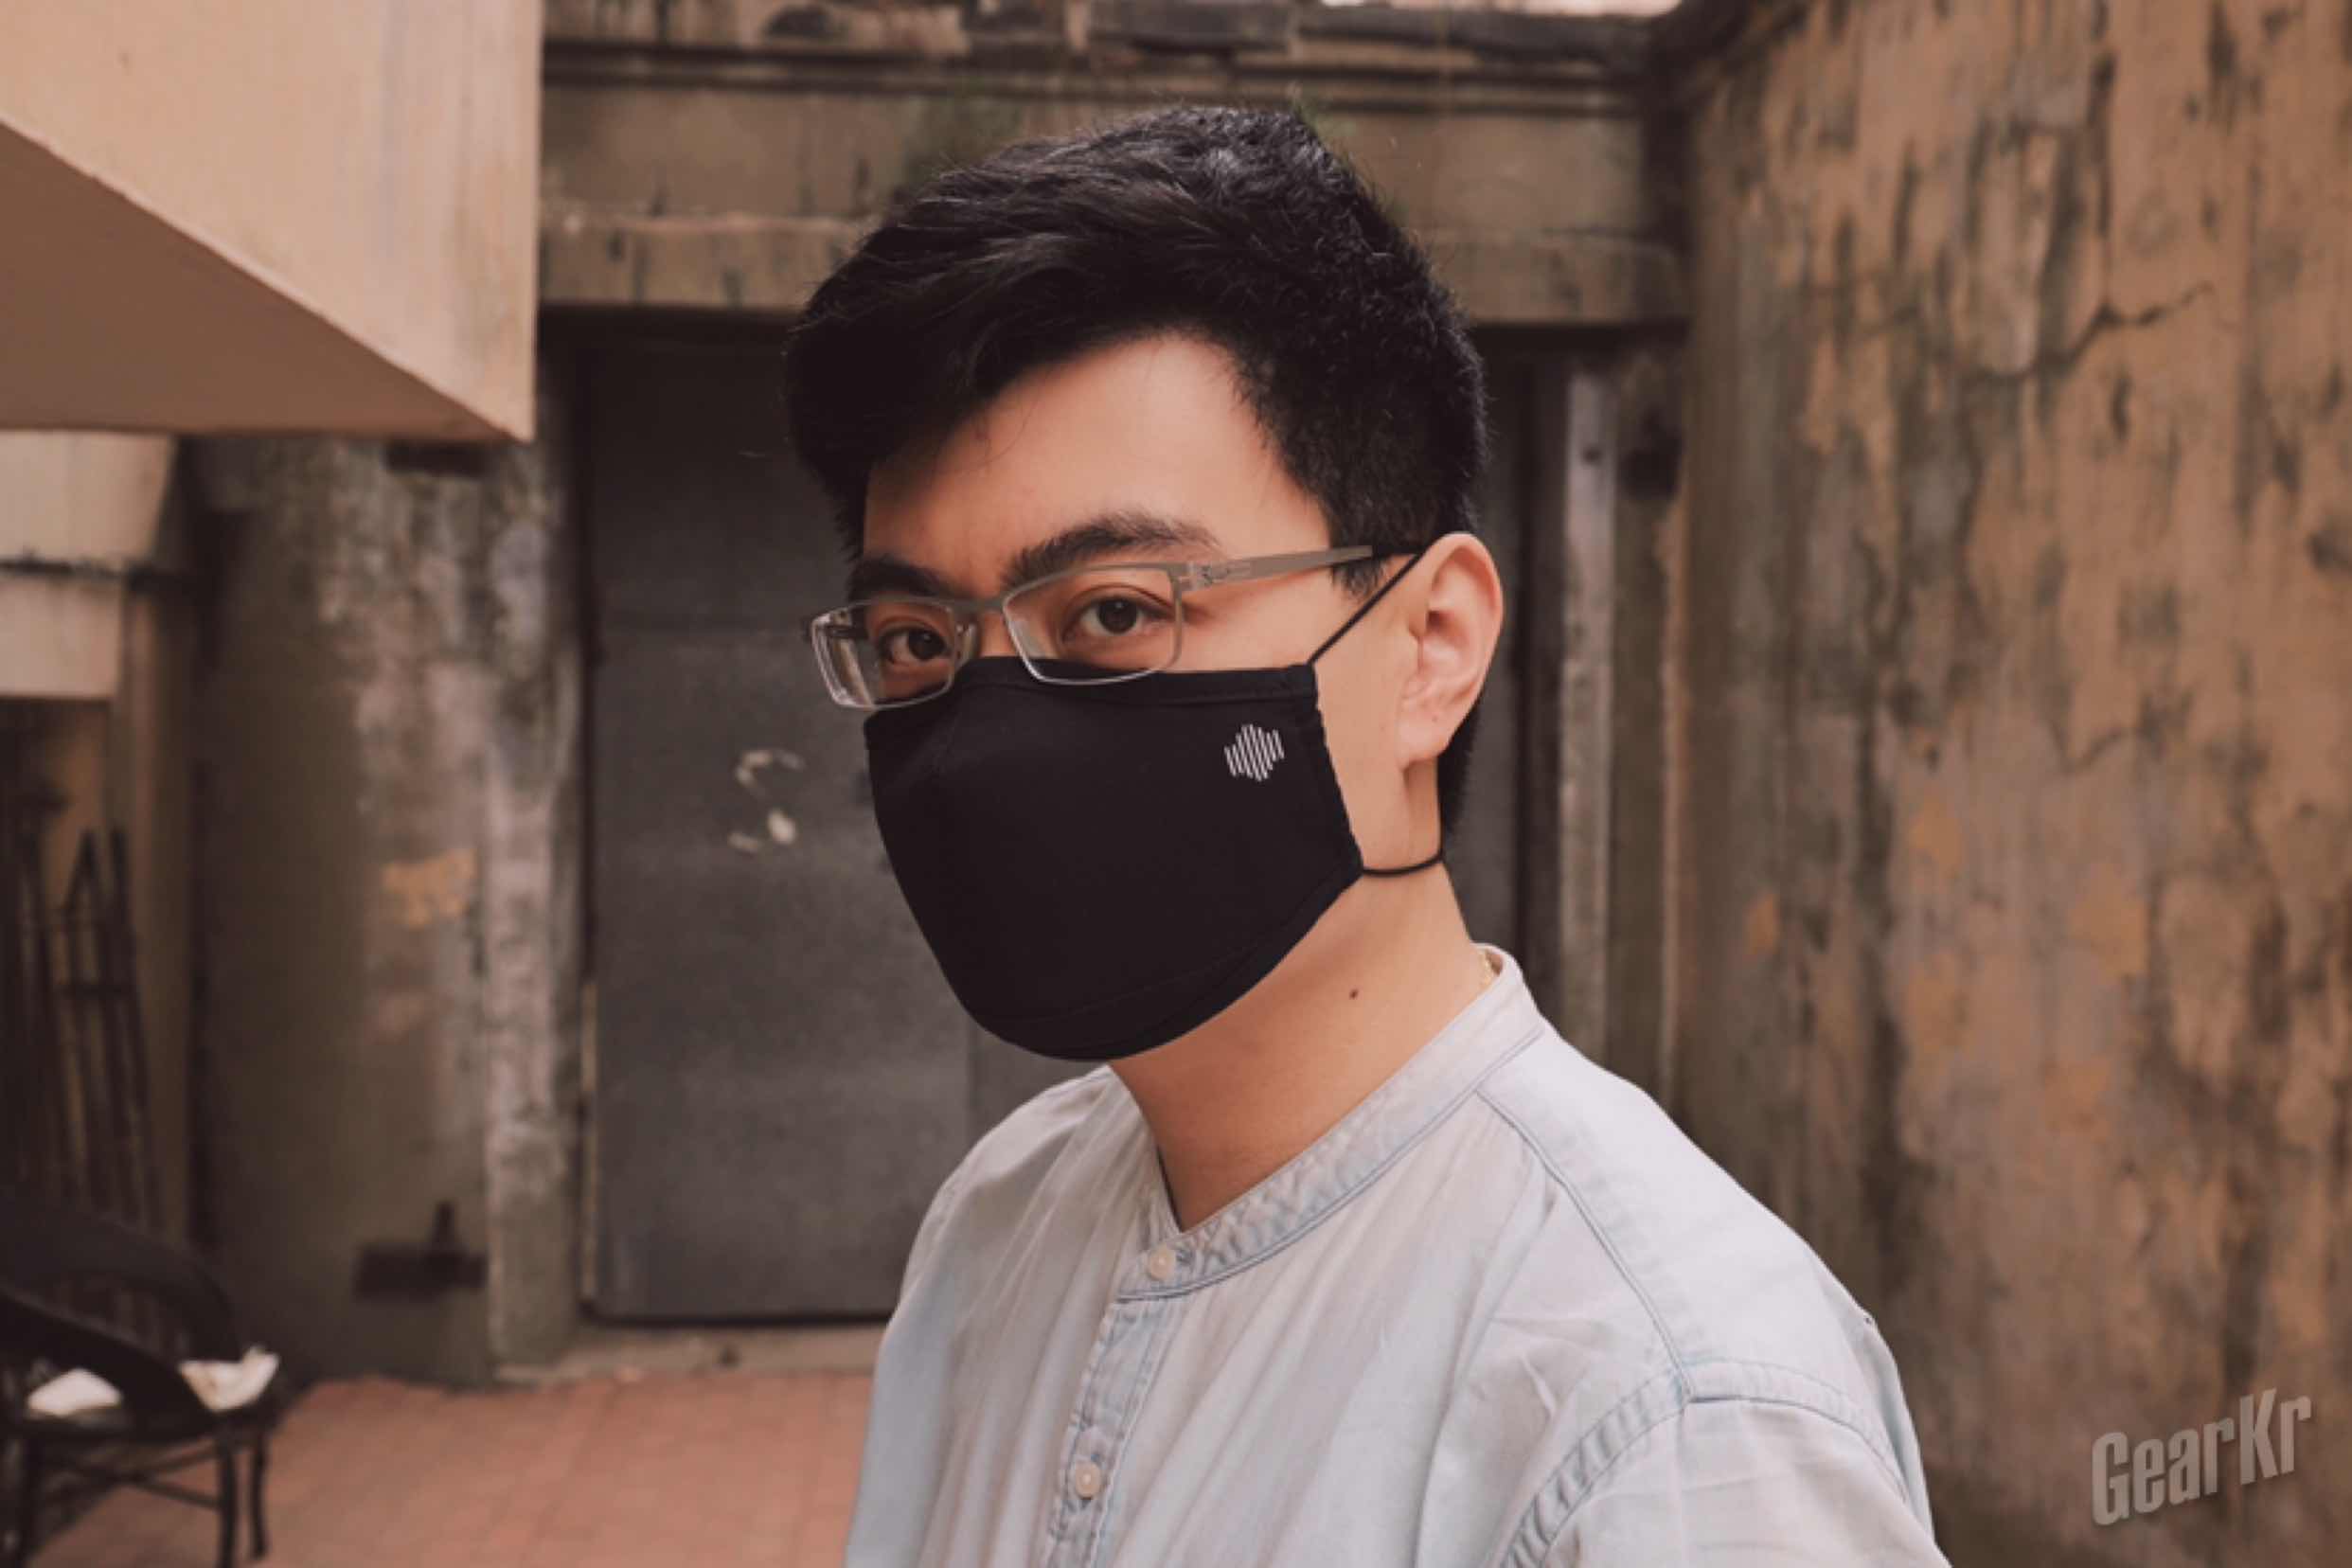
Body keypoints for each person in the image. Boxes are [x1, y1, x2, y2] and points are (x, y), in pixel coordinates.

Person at [783, 103, 1947, 1567]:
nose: (985, 733)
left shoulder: (1671, 1417)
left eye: (1118, 611)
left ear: (1431, 646)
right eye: (914, 639)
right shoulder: (998, 1226)